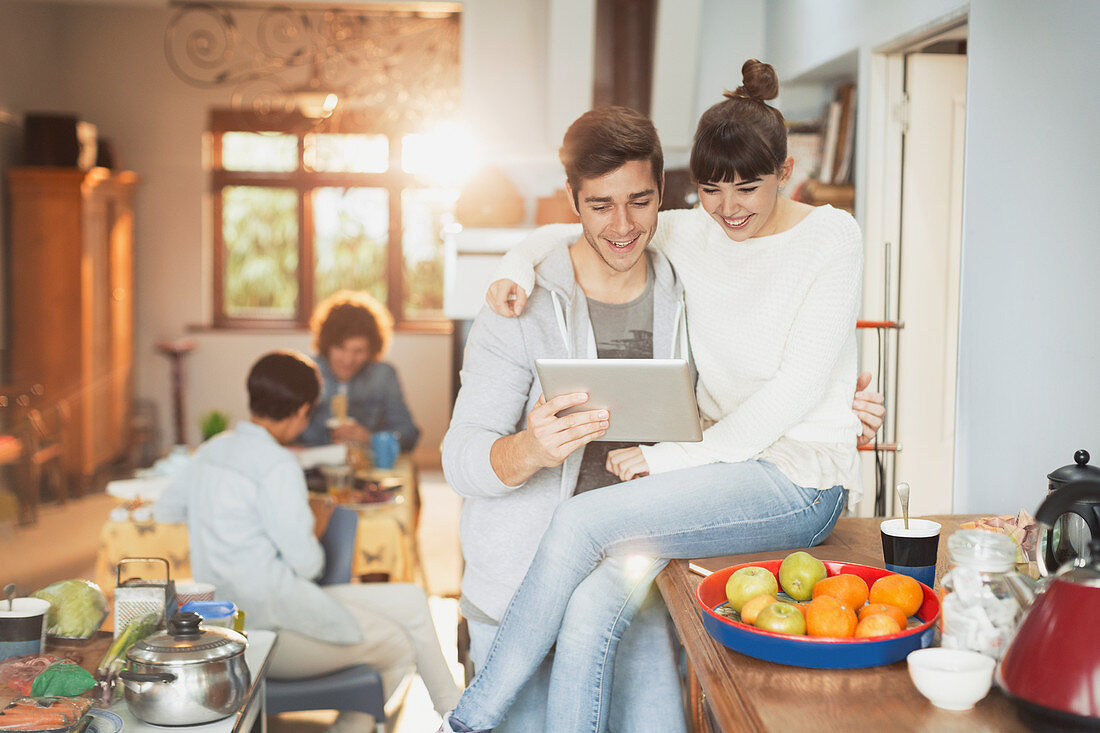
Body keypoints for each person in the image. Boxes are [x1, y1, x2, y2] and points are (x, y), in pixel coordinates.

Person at [440, 59, 872, 733]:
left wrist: (669, 458)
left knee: (585, 521)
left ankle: (467, 720)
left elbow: (796, 386)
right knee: (590, 598)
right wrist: (510, 263)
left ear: (786, 173)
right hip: (702, 484)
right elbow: (576, 230)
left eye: (748, 189)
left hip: (792, 476)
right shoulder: (689, 231)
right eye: (710, 191)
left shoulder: (830, 237)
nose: (729, 209)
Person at [443, 106, 692, 733]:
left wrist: (831, 406)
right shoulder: (518, 305)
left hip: (639, 588)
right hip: (519, 592)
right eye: (600, 205)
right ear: (572, 201)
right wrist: (529, 448)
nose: (623, 226)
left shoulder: (690, 289)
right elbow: (460, 457)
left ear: (661, 190)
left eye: (639, 201)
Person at [154, 350, 458, 732]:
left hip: (231, 614)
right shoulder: (278, 466)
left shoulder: (211, 450)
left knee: (412, 600)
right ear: (303, 410)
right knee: (399, 644)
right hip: (269, 628)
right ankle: (361, 725)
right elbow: (309, 566)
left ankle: (457, 714)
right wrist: (315, 520)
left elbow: (165, 509)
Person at [298, 290, 420, 452]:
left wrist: (369, 438)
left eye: (358, 351)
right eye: (341, 348)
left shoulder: (383, 375)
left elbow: (409, 434)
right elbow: (284, 431)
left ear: (372, 350)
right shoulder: (306, 372)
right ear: (326, 345)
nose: (348, 360)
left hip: (366, 466)